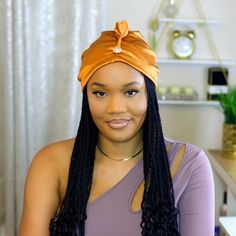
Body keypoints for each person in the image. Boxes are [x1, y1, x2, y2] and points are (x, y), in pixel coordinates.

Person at [18, 20, 215, 236]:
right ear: (87, 97)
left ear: (149, 95)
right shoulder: (49, 163)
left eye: (130, 92)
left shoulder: (190, 165)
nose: (115, 108)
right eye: (100, 93)